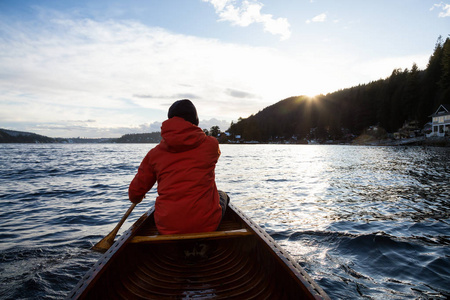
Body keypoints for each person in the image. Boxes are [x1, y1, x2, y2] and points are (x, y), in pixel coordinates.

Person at [128, 99, 229, 235]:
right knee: (222, 195)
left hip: (167, 227)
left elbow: (134, 194)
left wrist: (138, 197)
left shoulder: (154, 154)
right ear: (195, 120)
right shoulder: (211, 145)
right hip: (206, 225)